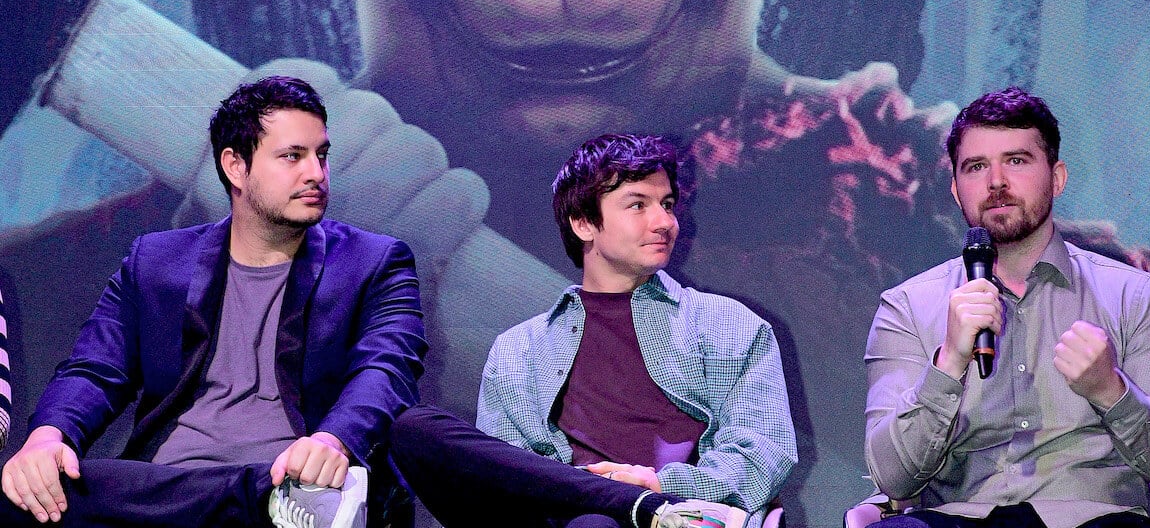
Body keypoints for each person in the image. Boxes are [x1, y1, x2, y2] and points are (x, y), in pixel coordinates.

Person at [0, 76, 426, 528]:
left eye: (321, 155)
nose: (316, 174)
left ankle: (272, 500)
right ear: (235, 167)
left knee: (294, 495)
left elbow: (387, 368)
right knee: (26, 492)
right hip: (163, 489)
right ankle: (254, 499)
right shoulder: (156, 261)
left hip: (296, 481)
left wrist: (334, 440)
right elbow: (94, 368)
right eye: (292, 157)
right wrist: (47, 438)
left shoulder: (375, 262)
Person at [390, 133, 797, 528]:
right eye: (638, 205)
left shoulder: (729, 324)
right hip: (552, 516)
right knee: (413, 427)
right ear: (584, 223)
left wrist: (658, 484)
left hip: (681, 513)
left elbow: (762, 452)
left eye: (667, 204)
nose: (664, 222)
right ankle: (631, 504)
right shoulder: (519, 349)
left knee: (594, 523)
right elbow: (506, 474)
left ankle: (638, 506)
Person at [863, 87, 1150, 528]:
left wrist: (1111, 393)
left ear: (1057, 178)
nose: (996, 181)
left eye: (1016, 161)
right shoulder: (908, 306)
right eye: (976, 167)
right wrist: (947, 365)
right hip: (958, 518)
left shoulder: (1134, 296)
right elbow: (892, 480)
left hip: (1098, 520)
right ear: (955, 188)